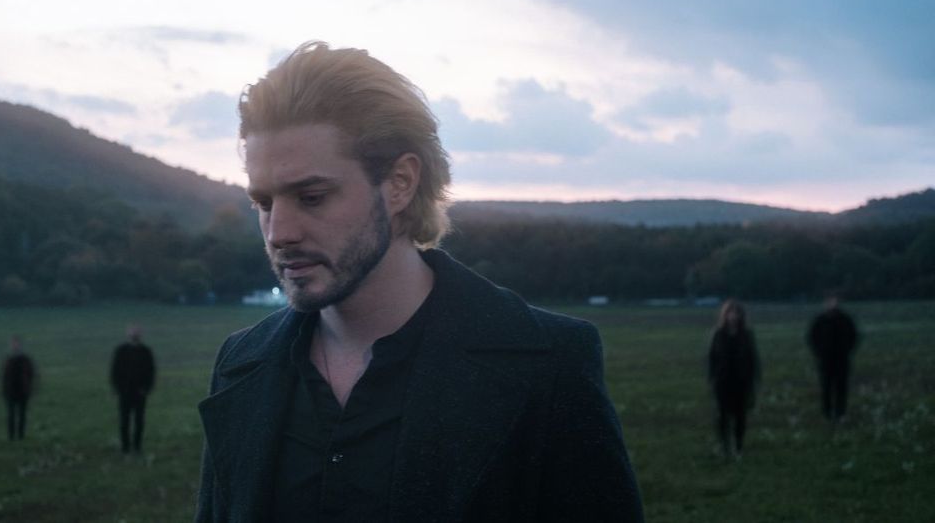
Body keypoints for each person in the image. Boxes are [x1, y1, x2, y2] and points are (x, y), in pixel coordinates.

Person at [195, 42, 642, 521]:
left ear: (400, 183)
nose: (278, 233)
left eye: (312, 196)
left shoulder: (547, 366)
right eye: (263, 203)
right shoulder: (242, 364)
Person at [708, 299, 760, 460]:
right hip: (723, 382)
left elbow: (753, 358)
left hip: (741, 382)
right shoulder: (718, 334)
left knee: (740, 416)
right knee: (722, 416)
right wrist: (712, 377)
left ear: (741, 315)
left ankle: (738, 446)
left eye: (736, 313)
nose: (733, 316)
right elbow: (711, 357)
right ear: (725, 315)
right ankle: (724, 446)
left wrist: (754, 379)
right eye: (730, 312)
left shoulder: (747, 335)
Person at [807, 292, 859, 421]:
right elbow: (812, 337)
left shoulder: (845, 319)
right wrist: (818, 353)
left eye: (834, 300)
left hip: (842, 360)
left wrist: (847, 351)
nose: (832, 303)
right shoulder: (820, 320)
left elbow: (854, 336)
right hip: (825, 361)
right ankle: (827, 413)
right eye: (829, 301)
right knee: (826, 387)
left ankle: (840, 412)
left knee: (841, 387)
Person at [110, 324, 156, 453]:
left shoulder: (146, 352)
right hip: (124, 392)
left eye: (136, 332)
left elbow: (151, 371)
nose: (134, 335)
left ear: (140, 335)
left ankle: (137, 446)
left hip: (140, 392)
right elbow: (115, 371)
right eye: (132, 332)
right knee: (124, 420)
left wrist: (146, 388)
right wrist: (117, 388)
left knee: (139, 421)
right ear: (128, 334)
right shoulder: (121, 351)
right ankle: (125, 447)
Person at [1, 336, 37, 440]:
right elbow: (4, 376)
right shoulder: (8, 359)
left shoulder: (25, 359)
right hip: (11, 391)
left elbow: (31, 374)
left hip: (22, 391)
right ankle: (11, 436)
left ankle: (21, 436)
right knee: (11, 415)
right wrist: (4, 389)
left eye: (16, 344)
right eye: (13, 344)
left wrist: (29, 387)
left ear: (20, 345)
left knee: (22, 415)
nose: (14, 346)